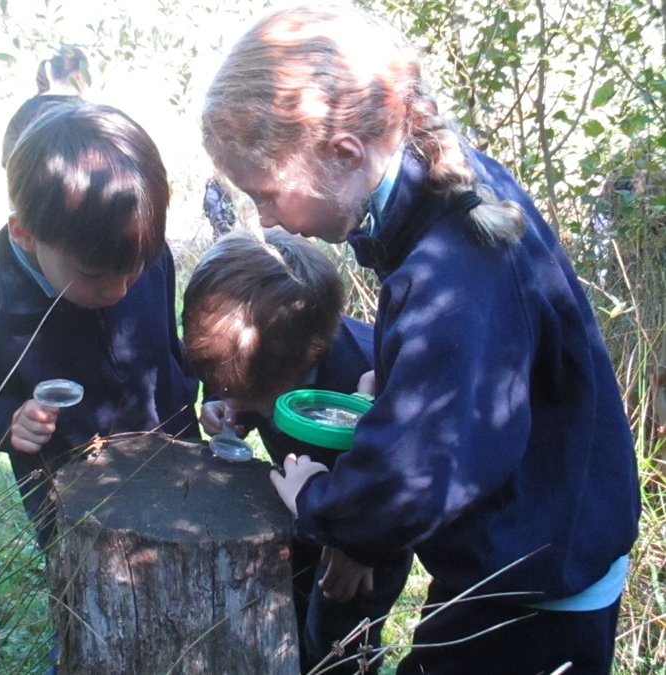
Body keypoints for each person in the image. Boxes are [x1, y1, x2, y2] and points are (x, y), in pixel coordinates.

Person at [200, 5, 641, 674]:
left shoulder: (454, 269)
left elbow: (415, 474)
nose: (264, 217)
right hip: (516, 550)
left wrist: (319, 504)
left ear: (343, 153)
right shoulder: (436, 193)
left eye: (265, 193)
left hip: (540, 581)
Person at [0, 103, 200, 554]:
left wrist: (191, 392)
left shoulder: (143, 250)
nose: (121, 290)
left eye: (136, 268)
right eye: (94, 274)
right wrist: (7, 422)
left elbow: (168, 346)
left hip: (182, 476)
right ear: (25, 234)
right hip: (79, 520)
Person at [182, 228, 412, 673]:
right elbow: (247, 390)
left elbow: (404, 477)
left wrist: (360, 546)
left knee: (339, 642)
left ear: (297, 368)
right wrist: (229, 410)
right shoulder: (266, 360)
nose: (229, 392)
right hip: (303, 517)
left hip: (365, 547)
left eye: (242, 391)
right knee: (292, 621)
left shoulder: (371, 375)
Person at [1, 44, 89, 168]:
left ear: (52, 74)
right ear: (80, 77)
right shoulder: (90, 114)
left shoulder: (25, 111)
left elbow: (8, 161)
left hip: (31, 187)